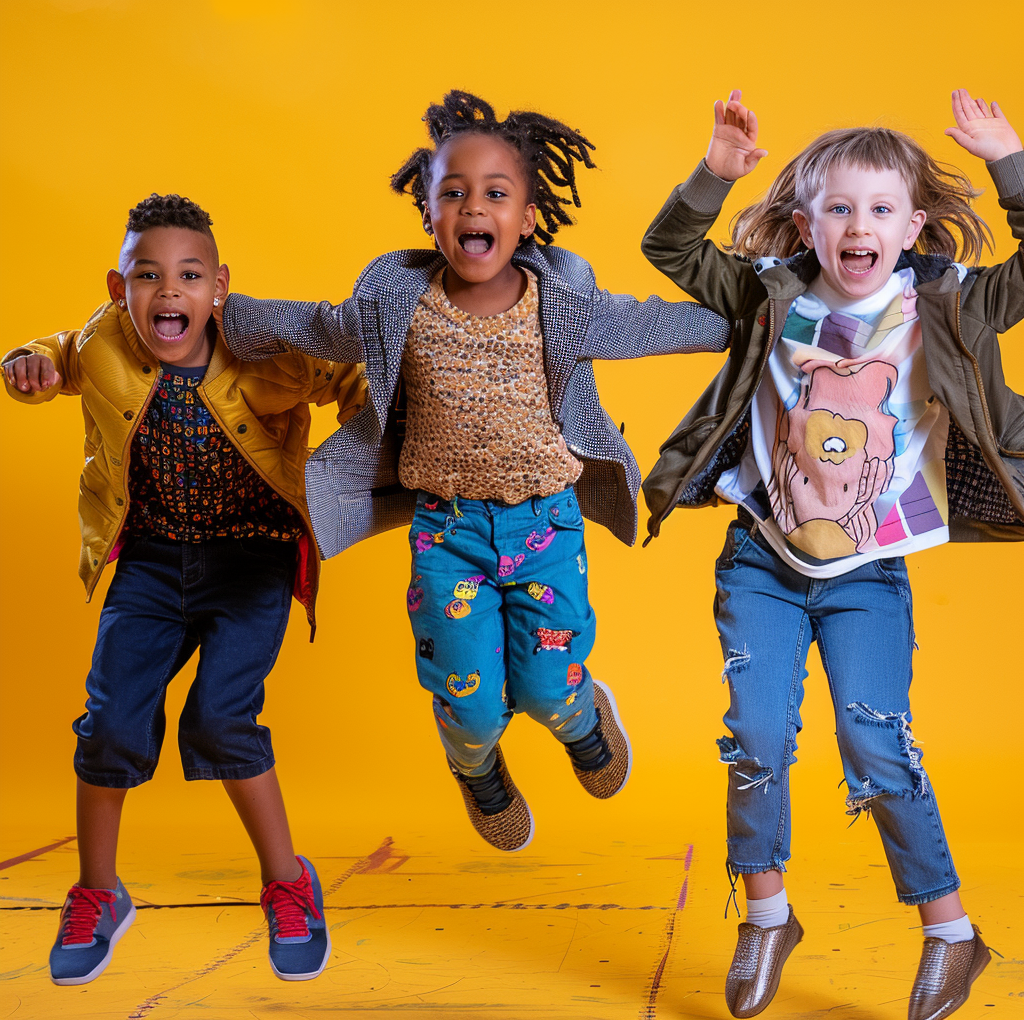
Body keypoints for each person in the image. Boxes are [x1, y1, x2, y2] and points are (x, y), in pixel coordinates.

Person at [217, 90, 731, 853]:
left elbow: (651, 322)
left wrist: (752, 319)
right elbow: (316, 323)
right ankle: (477, 770)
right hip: (446, 532)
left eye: (495, 193)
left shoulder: (562, 301)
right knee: (473, 705)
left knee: (549, 688)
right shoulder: (397, 302)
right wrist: (225, 312)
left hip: (544, 523)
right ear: (428, 215)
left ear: (526, 218)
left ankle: (583, 719)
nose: (472, 207)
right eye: (452, 193)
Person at [640, 89, 1023, 1019]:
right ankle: (767, 916)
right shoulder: (769, 291)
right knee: (757, 737)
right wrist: (715, 173)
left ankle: (951, 936)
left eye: (881, 209)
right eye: (839, 209)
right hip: (761, 559)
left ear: (914, 225)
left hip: (869, 574)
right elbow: (671, 252)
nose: (860, 227)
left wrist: (1010, 163)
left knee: (874, 744)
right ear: (806, 227)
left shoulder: (947, 302)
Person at [3, 194, 365, 985]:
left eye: (189, 276)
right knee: (109, 727)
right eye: (148, 275)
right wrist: (24, 364)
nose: (169, 292)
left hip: (254, 559)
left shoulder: (266, 350)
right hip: (152, 562)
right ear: (117, 287)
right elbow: (58, 354)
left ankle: (287, 881)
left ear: (220, 287)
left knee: (221, 717)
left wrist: (387, 439)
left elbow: (347, 374)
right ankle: (99, 891)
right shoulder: (102, 342)